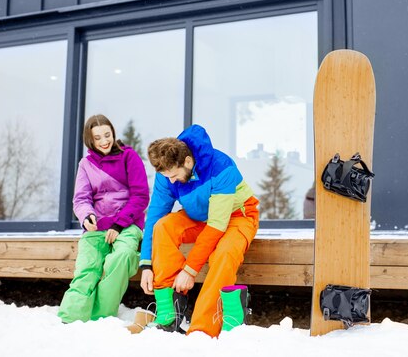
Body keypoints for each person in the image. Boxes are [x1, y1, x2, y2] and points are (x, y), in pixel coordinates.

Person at [139, 124, 259, 337]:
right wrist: (147, 263)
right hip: (200, 216)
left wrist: (189, 270)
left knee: (223, 254)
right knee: (163, 227)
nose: (171, 181)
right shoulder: (167, 172)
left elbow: (216, 226)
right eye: (167, 177)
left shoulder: (221, 167)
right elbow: (156, 216)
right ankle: (169, 314)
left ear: (187, 161)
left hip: (236, 216)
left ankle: (202, 330)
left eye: (174, 176)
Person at [58, 114, 150, 323]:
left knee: (122, 257)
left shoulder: (129, 156)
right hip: (96, 227)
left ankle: (100, 318)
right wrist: (86, 216)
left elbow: (141, 196)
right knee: (87, 268)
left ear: (113, 133)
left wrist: (119, 224)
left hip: (127, 224)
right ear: (90, 140)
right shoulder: (86, 164)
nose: (104, 141)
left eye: (107, 135)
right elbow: (81, 198)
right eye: (98, 137)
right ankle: (69, 319)